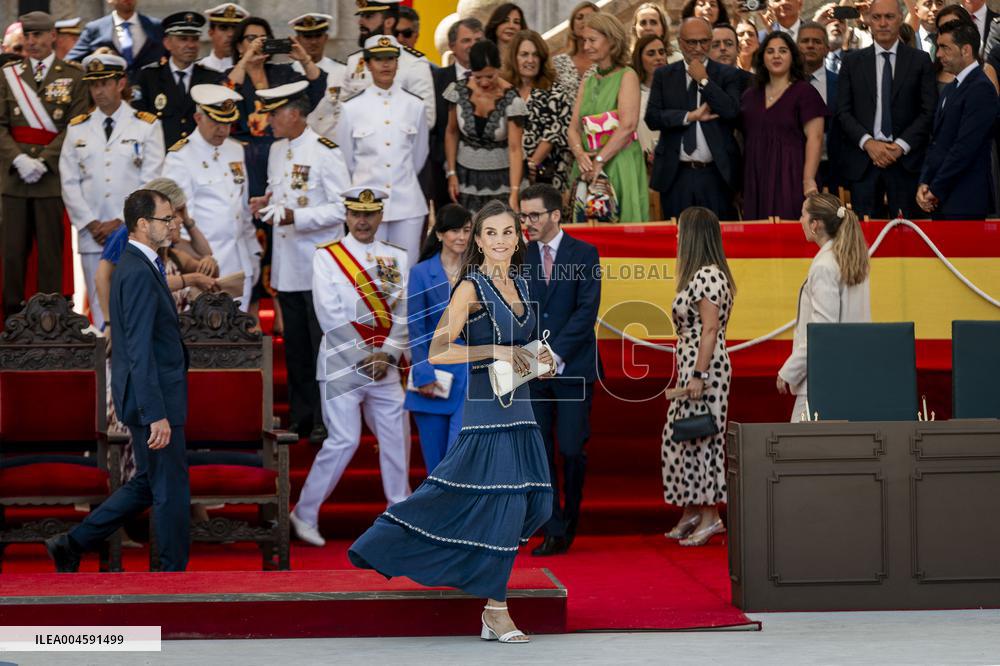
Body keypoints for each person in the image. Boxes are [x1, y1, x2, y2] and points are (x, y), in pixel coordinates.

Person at [348, 200, 553, 644]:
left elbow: (523, 344)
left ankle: (473, 565)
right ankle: (495, 610)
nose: (500, 240)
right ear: (478, 240)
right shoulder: (470, 287)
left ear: (518, 237)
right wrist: (494, 351)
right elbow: (439, 349)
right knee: (506, 508)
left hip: (521, 407)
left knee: (539, 505)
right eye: (491, 233)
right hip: (486, 412)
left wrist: (539, 360)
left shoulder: (522, 281)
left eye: (508, 232)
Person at [45, 189, 191, 573]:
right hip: (153, 399)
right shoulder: (138, 270)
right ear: (142, 224)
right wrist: (155, 413)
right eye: (166, 218)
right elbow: (139, 349)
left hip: (149, 394)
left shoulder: (139, 263)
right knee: (170, 489)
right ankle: (172, 578)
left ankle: (71, 544)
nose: (173, 224)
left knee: (149, 482)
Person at [291, 186, 410, 547]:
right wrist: (364, 356)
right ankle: (304, 513)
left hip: (385, 364)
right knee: (344, 440)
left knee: (396, 438)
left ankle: (399, 516)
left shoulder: (397, 257)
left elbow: (403, 310)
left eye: (369, 214)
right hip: (343, 364)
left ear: (380, 216)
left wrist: (388, 354)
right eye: (356, 213)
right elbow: (328, 314)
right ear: (346, 215)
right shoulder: (327, 257)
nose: (362, 220)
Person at [250, 80, 350, 444]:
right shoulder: (277, 150)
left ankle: (326, 417)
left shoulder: (325, 151)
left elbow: (343, 207)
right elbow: (280, 192)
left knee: (321, 345)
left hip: (318, 263)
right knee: (294, 348)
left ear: (295, 114)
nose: (270, 121)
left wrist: (299, 217)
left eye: (275, 114)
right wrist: (266, 203)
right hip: (287, 265)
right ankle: (301, 416)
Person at [521, 183, 602, 556]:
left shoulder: (584, 253)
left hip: (573, 368)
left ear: (555, 215)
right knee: (539, 450)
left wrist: (554, 355)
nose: (527, 222)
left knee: (570, 449)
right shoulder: (520, 256)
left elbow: (586, 312)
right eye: (523, 215)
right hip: (532, 371)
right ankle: (551, 527)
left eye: (534, 215)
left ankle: (570, 517)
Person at [60, 53, 165, 332]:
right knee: (99, 308)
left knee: (135, 303)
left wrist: (122, 221)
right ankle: (105, 361)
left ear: (121, 83)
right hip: (92, 233)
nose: (98, 91)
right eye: (93, 85)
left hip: (132, 231)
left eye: (105, 83)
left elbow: (151, 180)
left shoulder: (146, 125)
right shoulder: (77, 127)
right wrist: (90, 223)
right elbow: (69, 181)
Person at [226, 16, 325, 312]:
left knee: (280, 228)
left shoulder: (283, 73)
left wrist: (303, 57)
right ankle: (254, 308)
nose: (257, 44)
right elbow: (225, 97)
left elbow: (317, 89)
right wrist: (245, 61)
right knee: (252, 229)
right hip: (247, 162)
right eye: (250, 39)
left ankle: (281, 308)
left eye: (263, 39)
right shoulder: (236, 75)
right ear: (239, 45)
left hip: (281, 155)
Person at [0, 11, 87, 319]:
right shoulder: (8, 74)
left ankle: (51, 321)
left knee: (51, 254)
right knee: (11, 254)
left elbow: (75, 126)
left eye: (37, 35)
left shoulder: (74, 76)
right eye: (27, 35)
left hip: (51, 178)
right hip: (14, 178)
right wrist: (19, 159)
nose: (31, 41)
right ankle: (11, 320)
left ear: (53, 36)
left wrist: (44, 160)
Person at [661, 206, 734, 547]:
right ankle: (692, 509)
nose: (677, 236)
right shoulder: (700, 275)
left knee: (703, 438)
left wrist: (699, 374)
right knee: (681, 437)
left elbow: (709, 329)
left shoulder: (708, 275)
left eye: (681, 230)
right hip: (692, 364)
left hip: (705, 367)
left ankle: (710, 515)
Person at [836, 0, 937, 220]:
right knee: (867, 235)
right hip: (864, 164)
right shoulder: (852, 62)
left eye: (889, 17)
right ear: (868, 21)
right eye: (877, 17)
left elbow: (928, 111)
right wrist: (868, 143)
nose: (883, 23)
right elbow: (843, 112)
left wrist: (900, 146)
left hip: (906, 164)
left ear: (900, 19)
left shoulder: (920, 61)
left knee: (910, 233)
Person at [163, 84, 258, 310]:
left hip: (240, 258)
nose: (223, 130)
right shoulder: (180, 156)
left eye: (227, 123)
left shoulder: (235, 150)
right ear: (198, 118)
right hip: (204, 263)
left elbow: (241, 208)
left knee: (240, 325)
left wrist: (253, 250)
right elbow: (178, 221)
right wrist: (193, 264)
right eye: (216, 122)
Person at [335, 35, 428, 266]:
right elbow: (346, 160)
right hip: (366, 205)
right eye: (378, 59)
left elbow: (419, 154)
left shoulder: (415, 105)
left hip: (407, 203)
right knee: (368, 271)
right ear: (367, 64)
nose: (385, 64)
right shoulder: (351, 108)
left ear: (398, 62)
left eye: (390, 58)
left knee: (405, 270)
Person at [778, 193, 871, 421]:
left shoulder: (824, 266)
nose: (800, 220)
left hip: (820, 380)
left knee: (797, 443)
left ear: (815, 224)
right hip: (850, 374)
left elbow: (822, 332)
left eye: (803, 215)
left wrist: (789, 371)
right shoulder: (851, 259)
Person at [647, 18, 743, 220]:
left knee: (717, 235)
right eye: (692, 42)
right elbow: (652, 118)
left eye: (704, 41)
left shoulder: (727, 74)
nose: (698, 48)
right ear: (680, 42)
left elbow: (731, 111)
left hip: (716, 175)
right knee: (679, 235)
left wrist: (704, 80)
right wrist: (689, 116)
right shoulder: (664, 75)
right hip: (676, 175)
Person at [405, 204, 472, 474]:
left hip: (470, 376)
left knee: (459, 460)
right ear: (440, 234)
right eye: (455, 230)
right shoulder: (421, 273)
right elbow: (416, 327)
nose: (462, 237)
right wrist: (423, 373)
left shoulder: (480, 271)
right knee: (435, 466)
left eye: (466, 230)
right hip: (434, 377)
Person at [568, 13, 649, 222]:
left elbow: (628, 125)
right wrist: (580, 154)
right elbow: (573, 128)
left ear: (612, 41)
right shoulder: (588, 80)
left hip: (619, 163)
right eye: (584, 40)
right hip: (588, 166)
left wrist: (600, 160)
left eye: (592, 40)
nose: (586, 46)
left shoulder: (627, 75)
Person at [741, 31, 826, 220]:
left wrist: (808, 179)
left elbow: (816, 137)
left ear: (792, 56)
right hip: (756, 176)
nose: (776, 56)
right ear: (762, 58)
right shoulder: (749, 96)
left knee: (791, 229)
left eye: (783, 51)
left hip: (791, 174)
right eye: (770, 51)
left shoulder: (805, 92)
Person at [918, 22, 999, 219]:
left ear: (966, 50)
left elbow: (965, 147)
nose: (938, 54)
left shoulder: (981, 88)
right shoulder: (951, 88)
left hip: (966, 200)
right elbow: (937, 142)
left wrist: (936, 188)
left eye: (945, 47)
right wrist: (925, 182)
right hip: (941, 197)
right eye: (938, 47)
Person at [443, 39, 527, 212]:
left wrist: (514, 191)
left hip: (504, 177)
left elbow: (515, 148)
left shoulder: (512, 99)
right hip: (467, 177)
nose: (484, 83)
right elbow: (451, 132)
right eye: (478, 77)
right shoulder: (458, 91)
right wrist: (451, 172)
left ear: (498, 69)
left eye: (490, 76)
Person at [133, 12, 222, 148]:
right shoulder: (148, 77)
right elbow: (138, 121)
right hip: (161, 153)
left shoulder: (211, 78)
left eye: (194, 39)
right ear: (167, 43)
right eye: (183, 39)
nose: (190, 45)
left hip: (200, 154)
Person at [341, 1, 435, 129]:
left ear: (389, 22)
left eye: (368, 16)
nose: (361, 22)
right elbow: (342, 111)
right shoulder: (355, 61)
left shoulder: (413, 61)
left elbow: (426, 118)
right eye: (361, 16)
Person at [504, 30, 575, 192]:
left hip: (544, 175)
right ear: (514, 57)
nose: (530, 60)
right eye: (524, 54)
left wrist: (530, 165)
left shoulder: (555, 92)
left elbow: (553, 134)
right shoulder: (505, 91)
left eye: (535, 55)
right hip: (506, 172)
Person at [429, 18, 483, 214]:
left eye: (478, 40)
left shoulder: (497, 79)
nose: (473, 46)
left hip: (487, 173)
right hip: (445, 175)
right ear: (452, 46)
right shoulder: (436, 79)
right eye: (466, 40)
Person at [66, 0, 164, 86]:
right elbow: (70, 62)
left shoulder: (156, 26)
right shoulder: (95, 28)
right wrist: (94, 61)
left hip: (150, 92)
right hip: (110, 93)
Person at [797, 21, 841, 193]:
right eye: (805, 41)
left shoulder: (841, 83)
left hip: (833, 168)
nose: (810, 45)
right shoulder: (785, 84)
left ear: (827, 49)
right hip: (795, 166)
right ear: (796, 47)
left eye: (816, 42)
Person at [288, 13, 347, 139]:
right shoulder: (288, 72)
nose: (313, 42)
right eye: (307, 37)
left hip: (331, 142)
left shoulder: (342, 71)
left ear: (326, 38)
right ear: (297, 39)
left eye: (318, 36)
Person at [634, 34, 669, 169]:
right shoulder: (632, 93)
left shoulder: (678, 89)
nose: (658, 57)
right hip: (641, 164)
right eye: (651, 53)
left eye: (661, 52)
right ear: (639, 59)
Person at [552, 1, 599, 92]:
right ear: (572, 25)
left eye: (590, 17)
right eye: (579, 17)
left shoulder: (605, 61)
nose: (584, 21)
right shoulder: (558, 62)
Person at [197, 3, 249, 73]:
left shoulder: (249, 69)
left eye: (235, 28)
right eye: (223, 28)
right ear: (211, 33)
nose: (231, 34)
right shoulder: (199, 68)